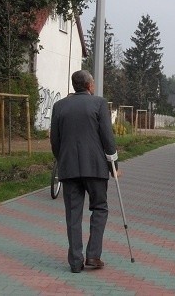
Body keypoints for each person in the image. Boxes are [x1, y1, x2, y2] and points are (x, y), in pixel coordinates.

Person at [50, 70, 118, 273]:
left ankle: (75, 262)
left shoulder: (59, 106)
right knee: (99, 208)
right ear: (89, 86)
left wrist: (61, 159)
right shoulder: (99, 104)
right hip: (95, 168)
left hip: (69, 167)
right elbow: (108, 138)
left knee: (73, 213)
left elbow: (55, 140)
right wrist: (114, 165)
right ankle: (93, 256)